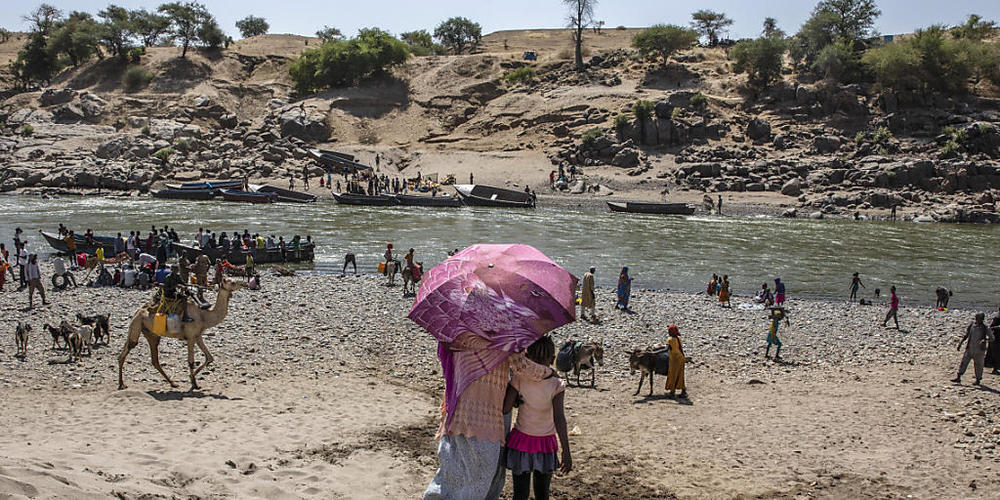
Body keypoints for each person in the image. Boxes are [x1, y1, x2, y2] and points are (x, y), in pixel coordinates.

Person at [424, 333, 554, 500]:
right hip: (484, 417)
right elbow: (523, 368)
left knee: (454, 467)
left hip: (456, 411)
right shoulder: (504, 337)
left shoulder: (458, 334)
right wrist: (549, 372)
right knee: (482, 474)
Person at [501, 336, 572, 500]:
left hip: (520, 442)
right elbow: (559, 418)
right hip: (545, 444)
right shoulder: (556, 384)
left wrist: (515, 399)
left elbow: (505, 408)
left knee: (520, 494)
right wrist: (566, 452)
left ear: (527, 356)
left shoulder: (519, 379)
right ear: (553, 360)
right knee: (542, 494)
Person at [953, 313, 995, 385]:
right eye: (976, 318)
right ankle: (958, 377)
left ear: (982, 319)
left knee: (978, 365)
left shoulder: (985, 328)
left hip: (979, 350)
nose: (976, 320)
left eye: (978, 318)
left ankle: (978, 379)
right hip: (970, 348)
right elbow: (966, 335)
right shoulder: (972, 325)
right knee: (964, 362)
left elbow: (992, 338)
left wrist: (985, 340)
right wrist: (960, 343)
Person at [664, 324, 687, 398]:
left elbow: (666, 349)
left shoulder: (670, 340)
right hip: (681, 358)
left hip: (675, 360)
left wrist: (654, 353)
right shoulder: (678, 338)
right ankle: (683, 391)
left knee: (673, 375)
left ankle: (672, 392)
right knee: (680, 375)